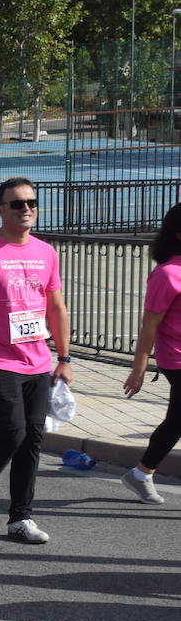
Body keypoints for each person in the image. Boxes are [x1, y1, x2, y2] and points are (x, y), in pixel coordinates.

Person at [0, 176, 70, 544]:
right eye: (17, 203)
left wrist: (64, 357)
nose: (26, 209)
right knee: (12, 432)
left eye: (31, 203)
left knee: (32, 440)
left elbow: (56, 306)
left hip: (38, 361)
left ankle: (21, 518)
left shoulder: (46, 252)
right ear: (0, 210)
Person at [123, 202, 181, 504]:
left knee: (176, 421)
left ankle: (142, 473)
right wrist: (139, 368)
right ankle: (142, 473)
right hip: (177, 357)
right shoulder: (167, 274)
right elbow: (149, 326)